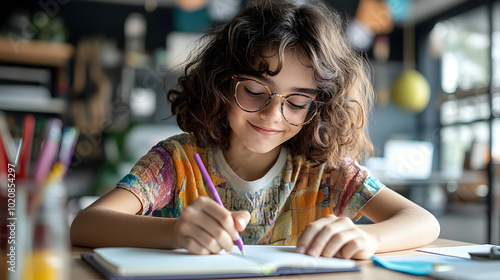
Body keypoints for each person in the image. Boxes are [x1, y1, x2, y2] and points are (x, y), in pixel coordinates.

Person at [70, 0, 440, 259]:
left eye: (297, 102)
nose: (273, 115)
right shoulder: (177, 161)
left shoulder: (326, 171)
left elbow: (422, 221)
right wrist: (175, 232)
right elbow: (86, 225)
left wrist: (366, 237)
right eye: (255, 91)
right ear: (220, 83)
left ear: (319, 107)